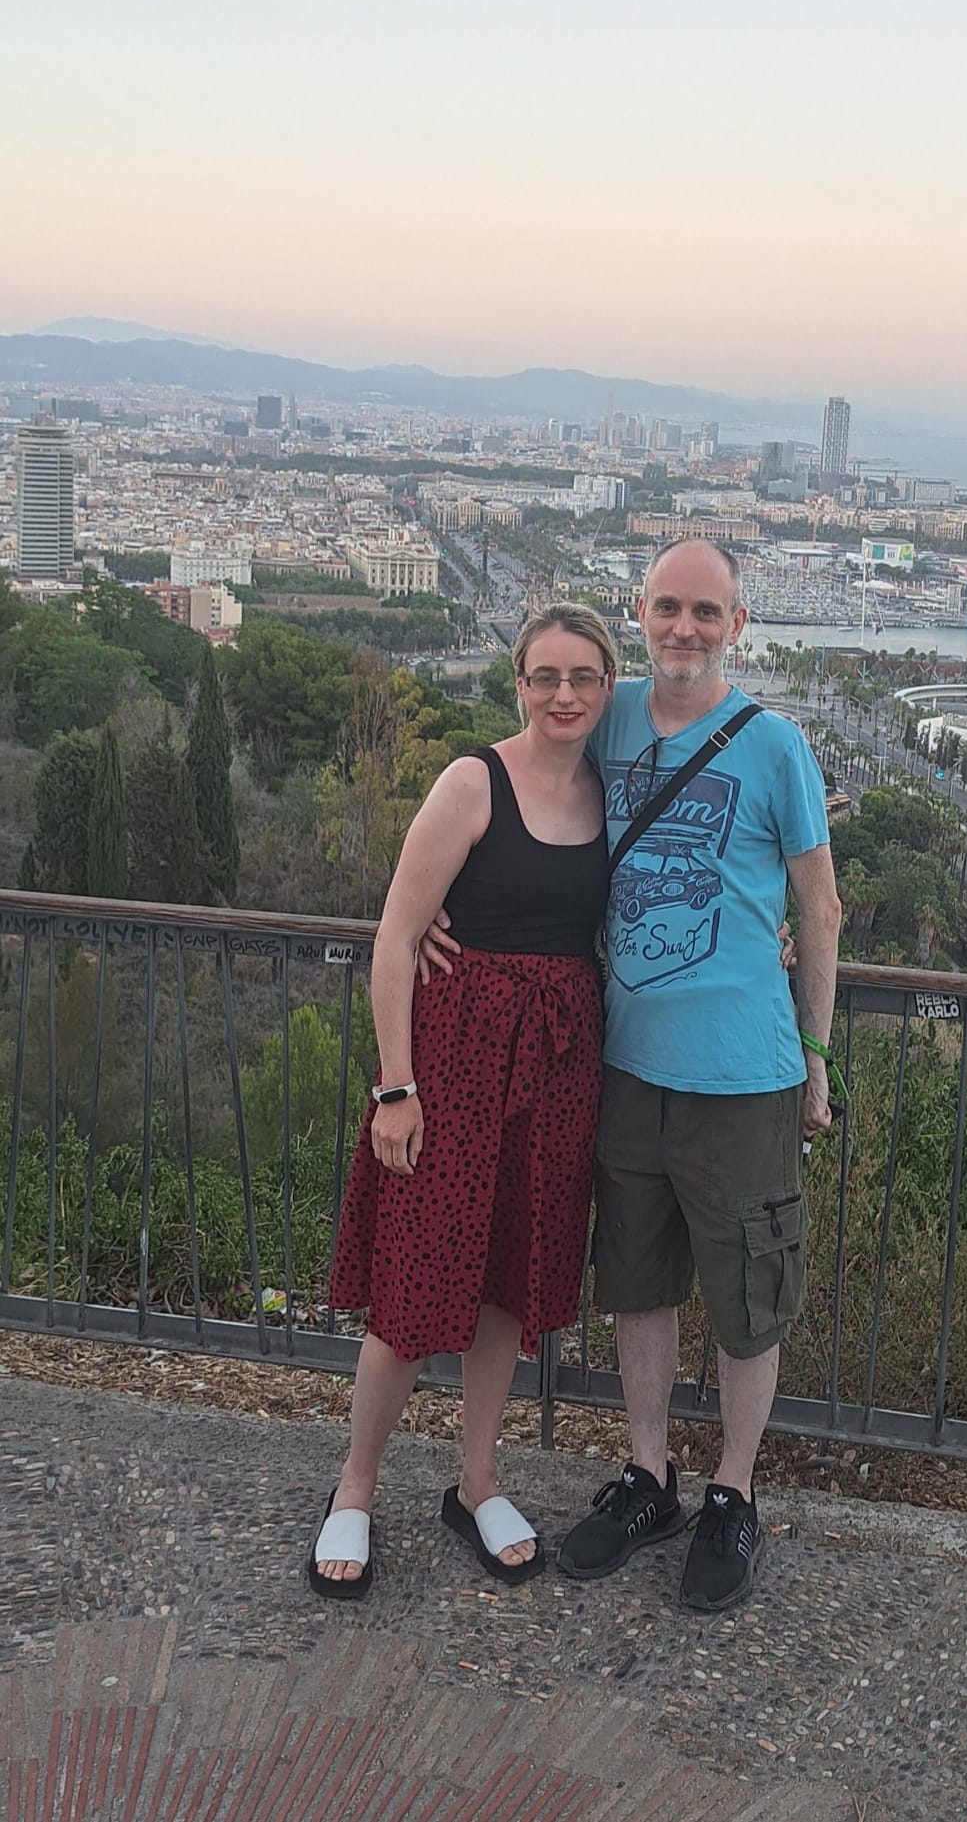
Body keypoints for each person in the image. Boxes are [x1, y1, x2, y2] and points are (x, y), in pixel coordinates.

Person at [424, 539, 842, 1613]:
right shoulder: (604, 718)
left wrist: (816, 1054)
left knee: (748, 1297)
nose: (684, 628)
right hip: (624, 1060)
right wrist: (428, 911)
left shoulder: (777, 746)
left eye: (705, 611)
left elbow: (819, 910)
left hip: (744, 1072)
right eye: (667, 608)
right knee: (638, 1283)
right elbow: (516, 795)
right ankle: (648, 1475)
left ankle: (733, 1492)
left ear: (737, 624)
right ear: (641, 615)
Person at [308, 604, 616, 1599]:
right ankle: (355, 1486)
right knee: (413, 1278)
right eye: (545, 675)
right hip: (453, 1068)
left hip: (557, 1075)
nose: (564, 693)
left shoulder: (611, 793)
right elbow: (396, 940)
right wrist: (395, 1089)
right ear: (518, 684)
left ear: (607, 687)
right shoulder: (472, 781)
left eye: (583, 676)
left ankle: (477, 1480)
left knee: (507, 1288)